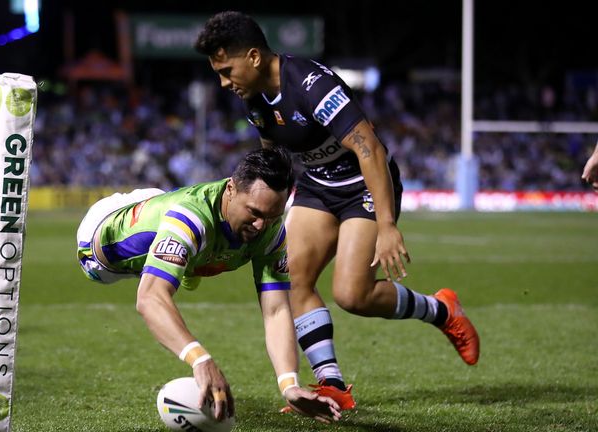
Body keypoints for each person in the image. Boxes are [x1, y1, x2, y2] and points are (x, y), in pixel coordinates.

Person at [194, 11, 480, 411]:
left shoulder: (312, 84)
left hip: (363, 184)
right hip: (316, 186)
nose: (224, 82)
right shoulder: (254, 99)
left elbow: (370, 148)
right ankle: (332, 385)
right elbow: (273, 163)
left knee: (352, 294)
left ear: (254, 57)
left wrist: (386, 225)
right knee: (291, 277)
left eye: (227, 70)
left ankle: (442, 309)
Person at [75, 147, 342, 424]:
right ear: (230, 189)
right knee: (182, 241)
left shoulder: (271, 230)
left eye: (273, 215)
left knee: (195, 248)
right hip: (99, 244)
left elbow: (276, 310)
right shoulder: (190, 220)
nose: (262, 225)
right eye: (254, 212)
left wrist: (289, 385)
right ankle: (187, 260)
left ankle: (188, 263)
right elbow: (149, 298)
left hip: (182, 220)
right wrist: (200, 359)